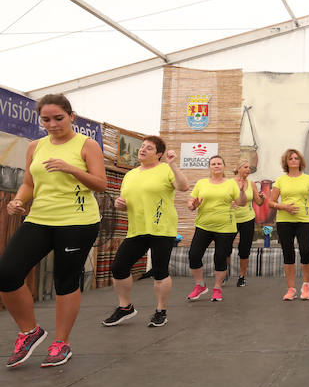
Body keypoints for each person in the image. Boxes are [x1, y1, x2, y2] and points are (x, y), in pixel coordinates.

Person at [1, 94, 106, 368]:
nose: (52, 124)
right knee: (7, 273)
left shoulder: (87, 144)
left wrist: (71, 168)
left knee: (66, 280)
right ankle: (29, 331)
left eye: (58, 118)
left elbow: (100, 184)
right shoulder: (36, 146)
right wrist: (18, 201)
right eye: (46, 119)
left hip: (77, 221)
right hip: (39, 219)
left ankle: (62, 342)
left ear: (72, 116)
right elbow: (28, 184)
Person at [103, 136, 189, 328]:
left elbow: (184, 186)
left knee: (160, 271)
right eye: (142, 147)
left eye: (149, 148)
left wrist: (172, 164)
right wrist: (119, 204)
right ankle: (125, 307)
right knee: (118, 267)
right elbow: (125, 203)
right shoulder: (130, 175)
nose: (142, 150)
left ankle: (161, 311)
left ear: (158, 154)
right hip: (137, 229)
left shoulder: (165, 169)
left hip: (162, 228)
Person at [268, 149, 309, 301]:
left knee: (305, 251)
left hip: (304, 220)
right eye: (291, 158)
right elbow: (271, 202)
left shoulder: (308, 179)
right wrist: (284, 207)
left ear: (300, 161)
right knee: (288, 254)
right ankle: (291, 289)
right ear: (286, 162)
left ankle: (306, 285)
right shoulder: (280, 181)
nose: (294, 160)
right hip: (284, 221)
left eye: (296, 158)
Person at [186, 155, 247, 302]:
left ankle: (217, 288)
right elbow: (190, 202)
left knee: (220, 258)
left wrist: (243, 192)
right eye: (213, 163)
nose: (216, 166)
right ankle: (200, 285)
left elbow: (241, 203)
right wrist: (192, 205)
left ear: (224, 166)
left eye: (219, 163)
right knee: (194, 255)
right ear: (209, 167)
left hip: (225, 227)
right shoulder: (202, 183)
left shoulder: (231, 184)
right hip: (203, 225)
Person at [233, 160, 264, 288]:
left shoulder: (251, 184)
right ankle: (224, 274)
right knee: (225, 248)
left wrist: (262, 197)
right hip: (231, 220)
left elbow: (259, 202)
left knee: (244, 249)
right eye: (245, 167)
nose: (248, 170)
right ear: (238, 168)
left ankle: (242, 276)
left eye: (249, 168)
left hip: (248, 219)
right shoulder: (229, 183)